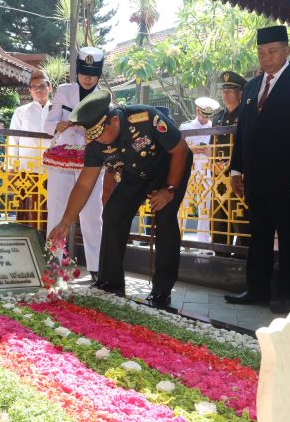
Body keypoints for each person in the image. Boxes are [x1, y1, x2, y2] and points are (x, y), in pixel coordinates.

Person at [47, 90, 192, 306]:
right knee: (113, 213)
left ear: (113, 121)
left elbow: (180, 150)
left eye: (99, 135)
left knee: (165, 218)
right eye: (92, 136)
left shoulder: (146, 118)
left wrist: (169, 189)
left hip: (169, 171)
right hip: (136, 175)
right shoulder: (96, 143)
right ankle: (110, 283)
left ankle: (162, 292)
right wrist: (66, 221)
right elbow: (85, 183)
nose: (97, 141)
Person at [224, 26, 290, 314]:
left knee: (289, 237)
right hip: (256, 175)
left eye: (272, 51)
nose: (266, 58)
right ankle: (257, 289)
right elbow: (243, 131)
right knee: (259, 235)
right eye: (262, 52)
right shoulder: (251, 87)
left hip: (289, 176)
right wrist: (236, 169)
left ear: (286, 50)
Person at [44, 47, 105, 282]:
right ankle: (53, 266)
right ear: (78, 70)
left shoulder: (104, 97)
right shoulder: (63, 91)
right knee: (56, 210)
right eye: (84, 72)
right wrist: (57, 125)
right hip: (61, 159)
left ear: (99, 74)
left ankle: (97, 270)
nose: (88, 77)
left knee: (92, 215)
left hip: (91, 162)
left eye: (93, 73)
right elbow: (48, 124)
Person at [8, 69, 53, 231]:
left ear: (50, 88)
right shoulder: (21, 112)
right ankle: (27, 246)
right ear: (30, 90)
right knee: (27, 209)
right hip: (28, 170)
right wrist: (11, 169)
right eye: (34, 87)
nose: (38, 90)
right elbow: (13, 141)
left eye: (42, 86)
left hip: (53, 170)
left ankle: (49, 247)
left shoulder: (58, 112)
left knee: (50, 209)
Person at [211, 71, 248, 255]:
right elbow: (214, 145)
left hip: (239, 174)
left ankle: (243, 255)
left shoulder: (247, 113)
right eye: (224, 90)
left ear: (240, 92)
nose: (226, 93)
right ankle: (220, 252)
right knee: (219, 217)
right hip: (219, 175)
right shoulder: (217, 118)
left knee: (240, 215)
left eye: (231, 90)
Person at [180, 97, 216, 248]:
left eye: (208, 115)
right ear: (197, 111)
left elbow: (221, 149)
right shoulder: (185, 127)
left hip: (206, 168)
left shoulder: (215, 127)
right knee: (183, 205)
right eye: (203, 114)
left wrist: (211, 151)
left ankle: (203, 243)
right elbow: (178, 149)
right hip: (189, 168)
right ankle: (178, 238)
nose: (205, 118)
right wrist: (192, 149)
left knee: (205, 207)